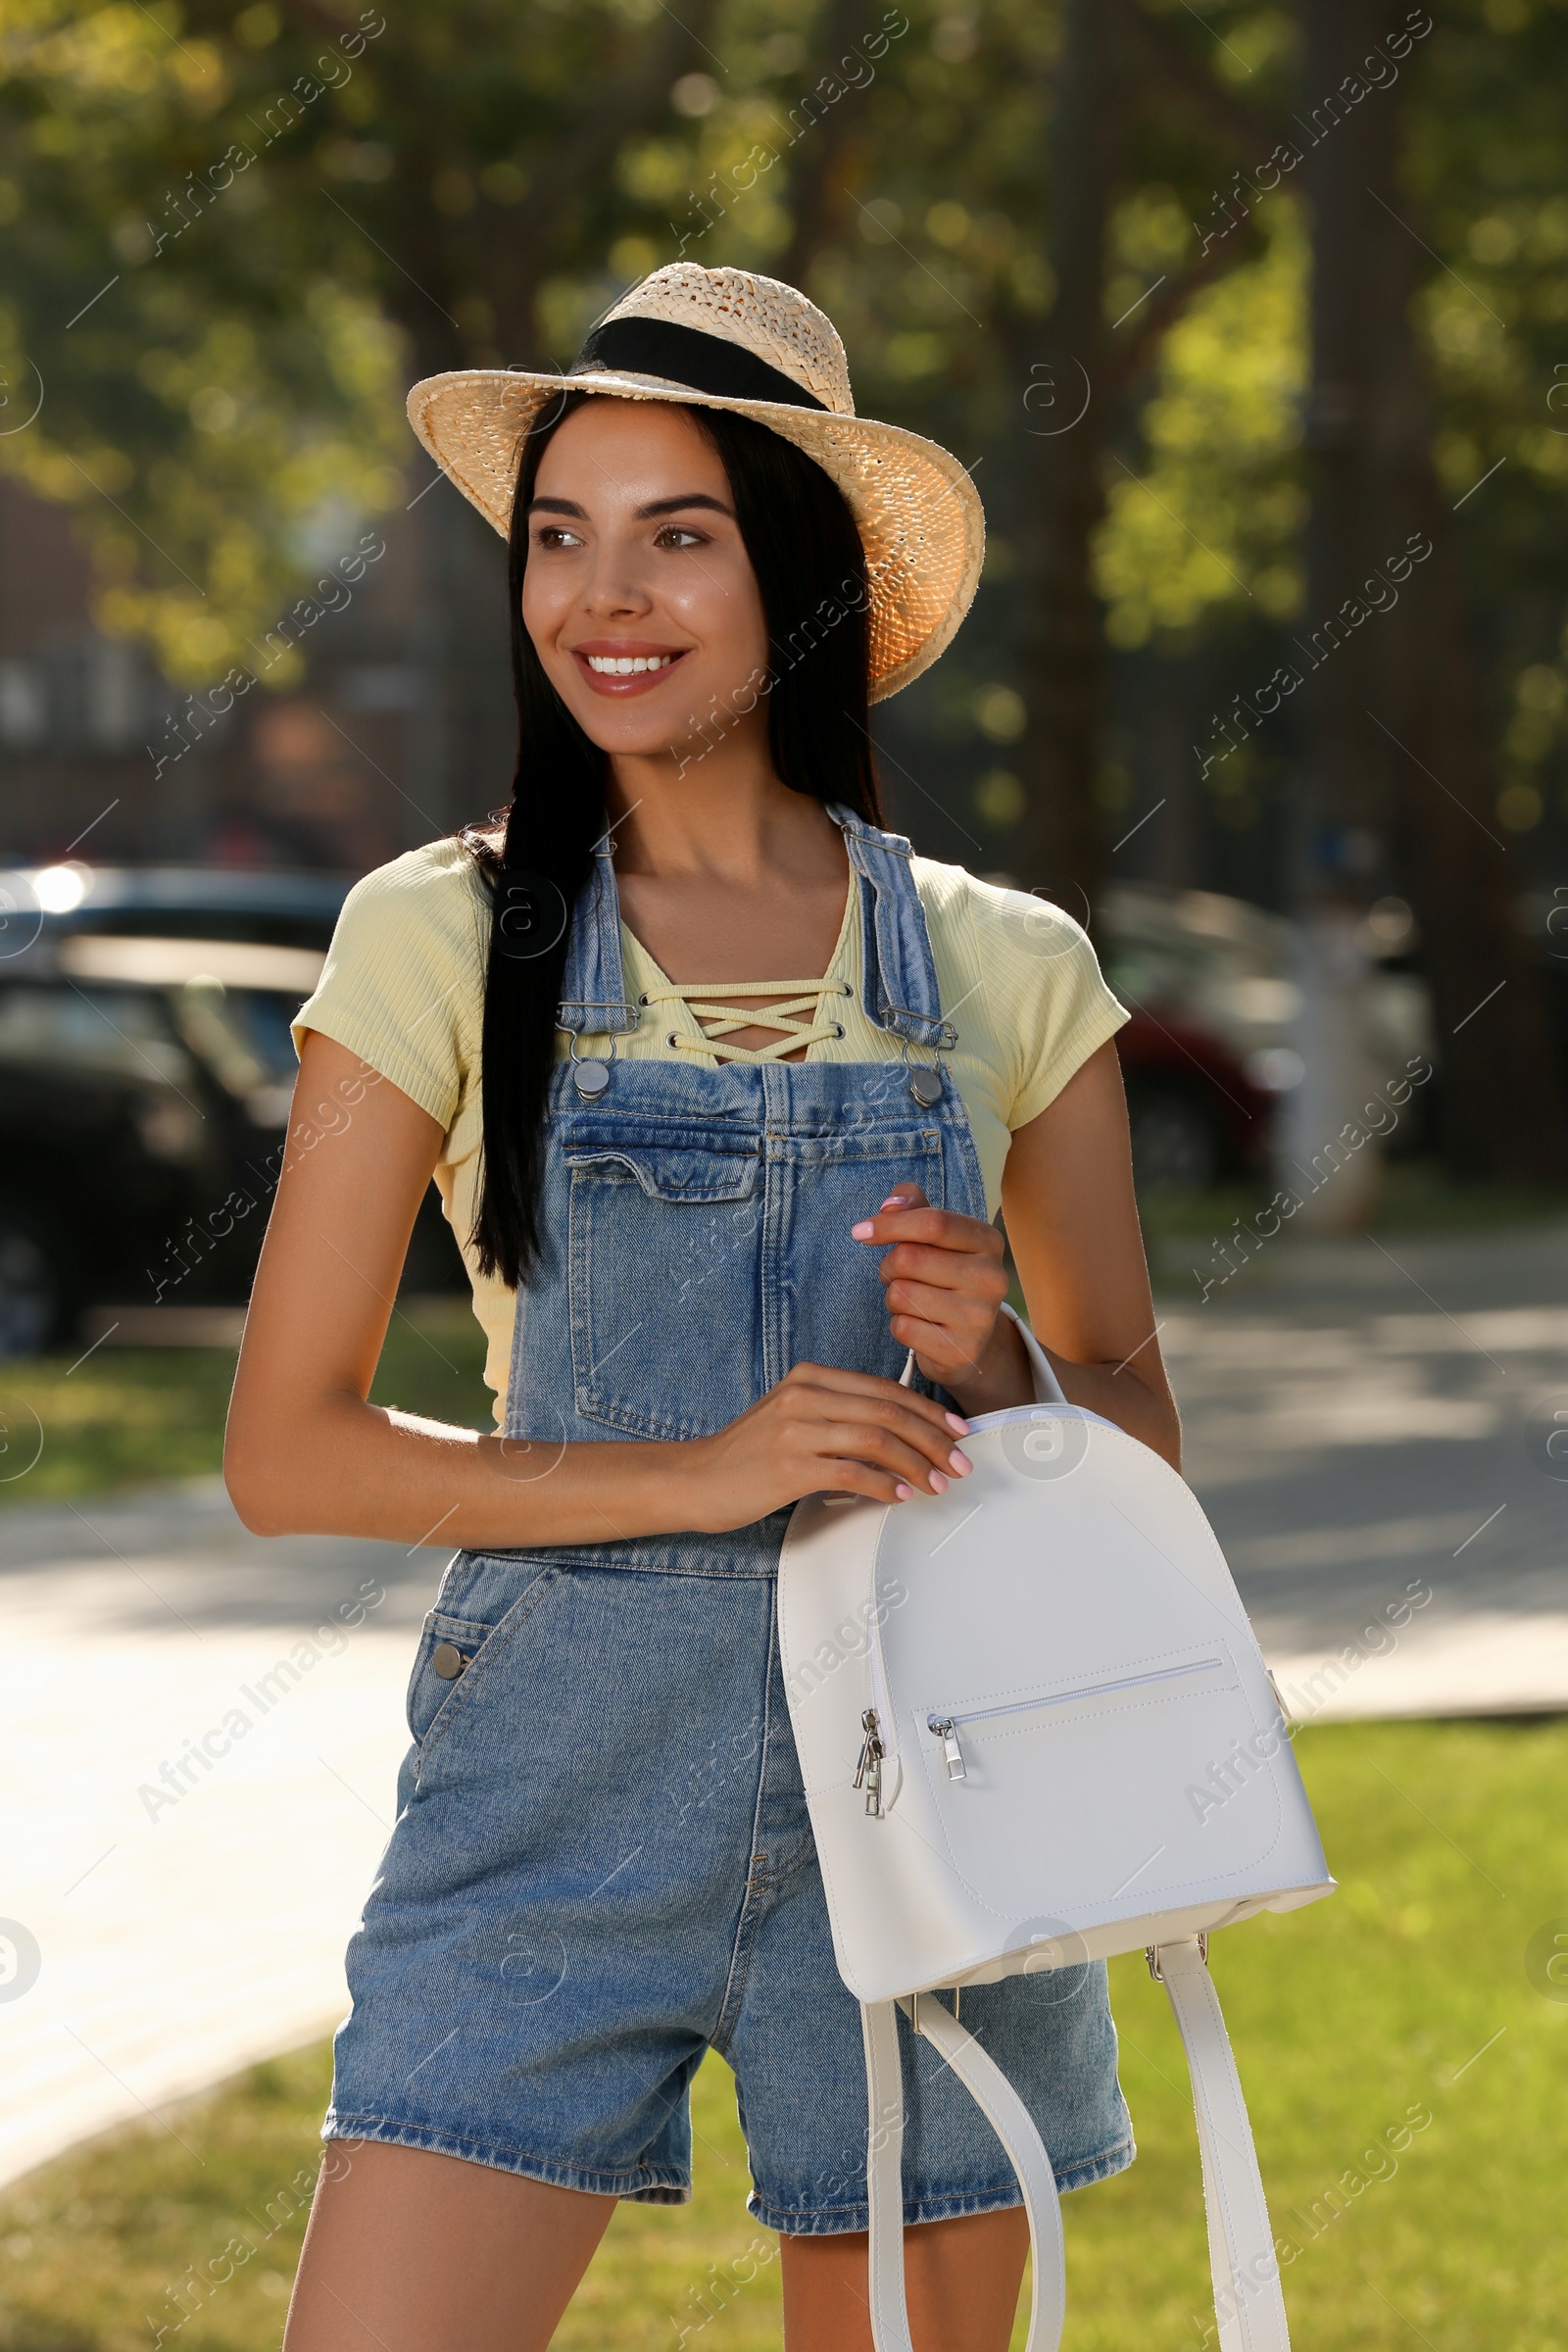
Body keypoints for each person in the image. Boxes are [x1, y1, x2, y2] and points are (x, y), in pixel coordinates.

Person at [225, 263, 1181, 2352]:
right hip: (552, 1794)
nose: (600, 594)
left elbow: (1131, 1431)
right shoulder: (436, 931)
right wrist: (714, 1465)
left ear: (804, 580)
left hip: (928, 1790)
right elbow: (286, 1452)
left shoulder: (1004, 966)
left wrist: (1000, 1361)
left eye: (679, 534)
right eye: (558, 535)